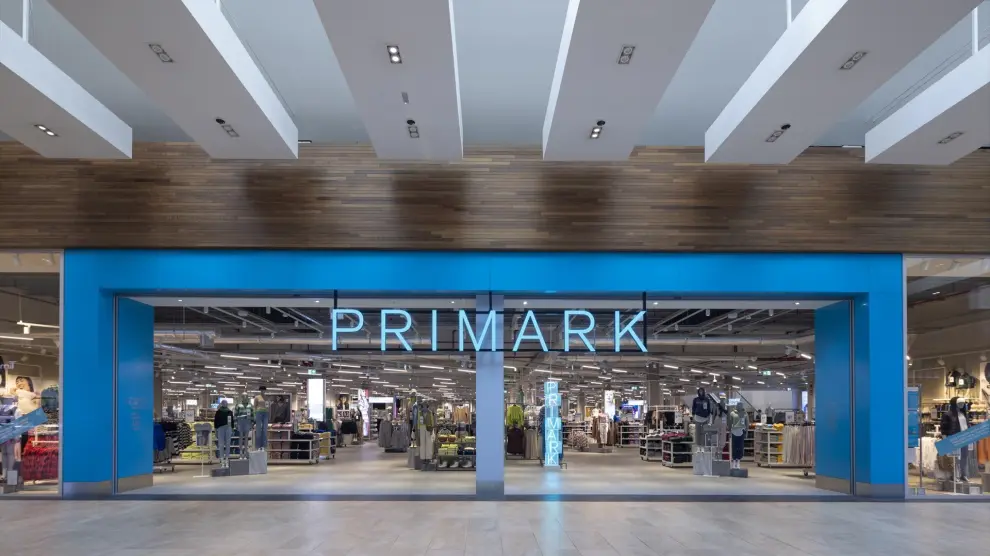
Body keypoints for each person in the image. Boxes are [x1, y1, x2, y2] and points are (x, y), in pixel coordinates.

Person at [939, 396, 971, 482]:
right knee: (955, 458)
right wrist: (945, 439)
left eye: (963, 403)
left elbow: (967, 425)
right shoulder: (947, 415)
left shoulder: (964, 414)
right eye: (959, 403)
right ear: (954, 404)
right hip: (954, 438)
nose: (962, 405)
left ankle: (963, 475)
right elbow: (943, 428)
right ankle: (954, 475)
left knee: (964, 457)